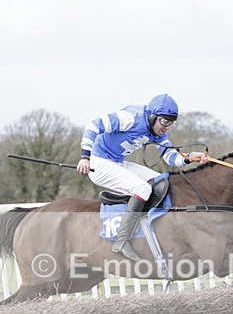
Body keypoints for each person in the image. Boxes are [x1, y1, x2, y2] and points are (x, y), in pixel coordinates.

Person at [77, 94, 208, 260]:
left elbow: (171, 158)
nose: (167, 127)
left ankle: (151, 227)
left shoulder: (158, 132)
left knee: (162, 181)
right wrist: (85, 157)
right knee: (142, 188)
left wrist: (190, 157)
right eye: (164, 121)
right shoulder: (131, 118)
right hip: (99, 163)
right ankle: (122, 241)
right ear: (152, 116)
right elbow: (93, 125)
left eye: (171, 123)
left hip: (116, 162)